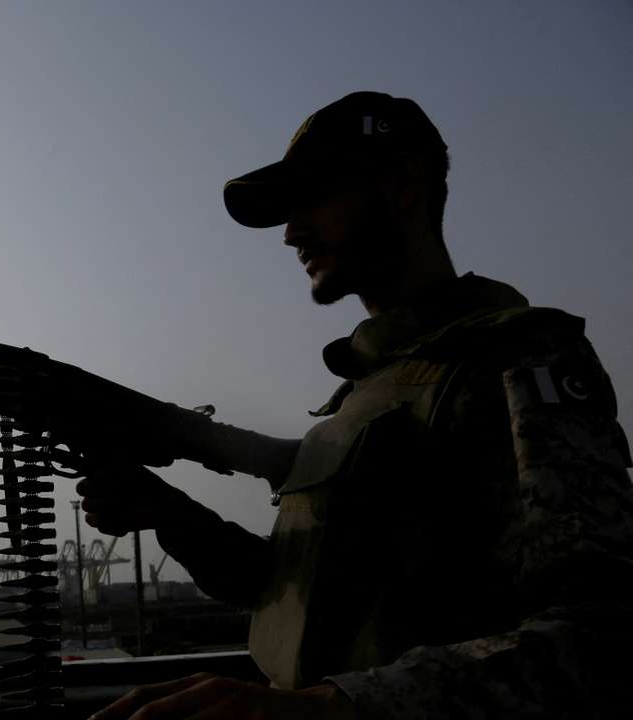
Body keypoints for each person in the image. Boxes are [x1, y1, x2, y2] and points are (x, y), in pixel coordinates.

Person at [79, 91, 633, 719]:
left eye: (313, 197)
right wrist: (172, 515)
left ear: (400, 184)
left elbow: (602, 636)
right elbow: (299, 589)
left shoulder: (521, 357)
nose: (291, 232)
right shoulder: (361, 396)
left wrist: (321, 710)